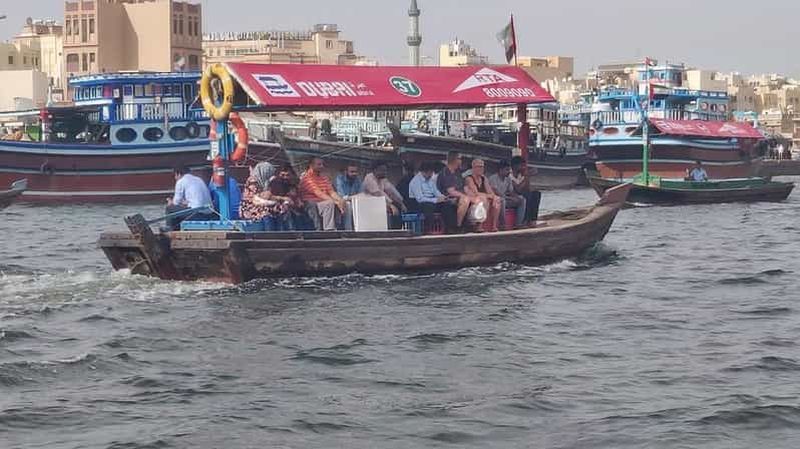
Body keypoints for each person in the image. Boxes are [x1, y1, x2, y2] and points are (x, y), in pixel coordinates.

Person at [240, 162, 291, 230]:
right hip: (249, 208)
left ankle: (283, 233)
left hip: (261, 204)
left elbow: (268, 195)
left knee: (282, 208)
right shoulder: (253, 181)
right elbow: (258, 198)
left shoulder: (265, 182)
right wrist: (280, 199)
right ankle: (270, 235)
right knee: (268, 212)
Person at [299, 157, 345, 231]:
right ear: (311, 165)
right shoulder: (306, 179)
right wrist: (335, 201)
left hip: (322, 203)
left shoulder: (324, 178)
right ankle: (329, 230)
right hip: (311, 205)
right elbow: (319, 193)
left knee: (345, 203)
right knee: (329, 203)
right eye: (319, 164)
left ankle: (347, 229)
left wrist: (340, 200)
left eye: (322, 164)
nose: (322, 166)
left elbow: (331, 192)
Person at [165, 165, 214, 231]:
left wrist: (170, 202)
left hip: (197, 214)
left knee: (169, 209)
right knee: (178, 211)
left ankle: (170, 229)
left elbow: (175, 203)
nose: (175, 178)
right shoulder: (199, 179)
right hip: (209, 213)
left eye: (175, 176)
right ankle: (177, 229)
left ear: (178, 174)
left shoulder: (181, 181)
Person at [361, 161, 407, 226]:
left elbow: (391, 191)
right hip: (368, 205)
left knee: (397, 207)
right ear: (375, 170)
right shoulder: (369, 178)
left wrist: (401, 203)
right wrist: (391, 205)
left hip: (380, 203)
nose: (385, 172)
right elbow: (378, 194)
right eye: (382, 170)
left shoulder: (383, 179)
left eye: (385, 170)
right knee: (391, 209)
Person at [436, 152, 472, 232]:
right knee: (465, 200)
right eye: (460, 158)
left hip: (459, 197)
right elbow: (451, 191)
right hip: (447, 199)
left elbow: (465, 187)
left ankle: (474, 225)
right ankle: (458, 226)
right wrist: (464, 196)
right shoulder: (445, 173)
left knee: (476, 200)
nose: (461, 161)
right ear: (454, 160)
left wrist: (473, 196)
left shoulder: (458, 173)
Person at [464, 159, 502, 232]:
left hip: (482, 199)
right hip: (473, 203)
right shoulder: (469, 179)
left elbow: (490, 192)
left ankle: (494, 226)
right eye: (479, 167)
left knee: (497, 199)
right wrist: (489, 196)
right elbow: (476, 193)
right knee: (483, 199)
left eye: (482, 167)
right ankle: (479, 226)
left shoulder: (484, 178)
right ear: (473, 168)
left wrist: (493, 197)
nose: (482, 169)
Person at [489, 160, 527, 229]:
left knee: (522, 199)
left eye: (509, 170)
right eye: (507, 170)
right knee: (502, 200)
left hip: (506, 199)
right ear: (500, 170)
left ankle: (518, 224)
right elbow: (496, 192)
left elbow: (511, 191)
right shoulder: (493, 178)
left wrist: (516, 197)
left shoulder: (508, 179)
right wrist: (509, 198)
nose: (509, 172)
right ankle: (502, 224)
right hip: (496, 201)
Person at [408, 161, 449, 225]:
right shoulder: (415, 181)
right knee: (428, 206)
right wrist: (435, 200)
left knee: (446, 205)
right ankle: (429, 227)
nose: (431, 175)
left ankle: (450, 227)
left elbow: (436, 192)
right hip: (419, 203)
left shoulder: (430, 180)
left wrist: (443, 197)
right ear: (424, 172)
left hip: (432, 200)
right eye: (430, 173)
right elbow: (420, 199)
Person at [268, 165, 304, 230]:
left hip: (293, 205)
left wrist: (298, 200)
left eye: (287, 175)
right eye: (283, 175)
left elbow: (295, 194)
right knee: (285, 208)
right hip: (277, 206)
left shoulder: (292, 183)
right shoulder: (275, 182)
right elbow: (270, 196)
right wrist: (284, 199)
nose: (285, 177)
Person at [510, 156, 542, 225]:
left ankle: (532, 219)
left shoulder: (521, 175)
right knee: (527, 196)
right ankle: (524, 220)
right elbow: (517, 189)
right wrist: (527, 176)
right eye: (521, 165)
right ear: (515, 166)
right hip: (513, 195)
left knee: (536, 194)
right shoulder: (509, 175)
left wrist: (527, 177)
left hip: (522, 193)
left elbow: (528, 188)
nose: (523, 167)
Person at [334, 163, 362, 231]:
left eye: (356, 172)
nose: (354, 174)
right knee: (348, 205)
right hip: (340, 202)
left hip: (354, 201)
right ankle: (348, 231)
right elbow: (342, 196)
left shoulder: (357, 179)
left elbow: (362, 194)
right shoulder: (339, 179)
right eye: (352, 172)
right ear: (346, 172)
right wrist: (354, 197)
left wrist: (352, 198)